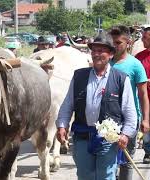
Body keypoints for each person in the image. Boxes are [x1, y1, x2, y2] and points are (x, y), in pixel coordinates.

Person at [56, 32, 138, 180]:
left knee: (105, 176)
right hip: (82, 136)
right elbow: (67, 105)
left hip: (108, 139)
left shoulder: (120, 79)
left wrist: (126, 134)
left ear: (111, 54)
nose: (96, 54)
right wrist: (62, 125)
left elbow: (129, 111)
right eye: (94, 50)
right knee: (84, 175)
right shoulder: (79, 76)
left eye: (101, 51)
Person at [109, 25, 150, 180]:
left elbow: (143, 95)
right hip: (107, 120)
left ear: (129, 43)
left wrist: (145, 119)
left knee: (126, 162)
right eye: (112, 41)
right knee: (107, 160)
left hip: (129, 120)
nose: (114, 45)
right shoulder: (105, 63)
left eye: (118, 42)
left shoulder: (135, 65)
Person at [135, 26, 150, 164]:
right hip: (144, 99)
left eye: (145, 37)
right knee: (146, 126)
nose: (142, 40)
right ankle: (148, 152)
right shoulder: (139, 57)